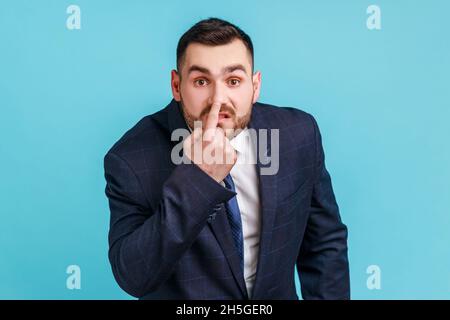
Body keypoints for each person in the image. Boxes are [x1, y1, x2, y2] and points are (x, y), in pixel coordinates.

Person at [104, 17, 350, 300]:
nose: (218, 100)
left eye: (233, 81)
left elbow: (324, 246)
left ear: (255, 86)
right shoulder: (130, 159)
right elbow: (134, 277)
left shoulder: (298, 134)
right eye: (201, 81)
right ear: (176, 85)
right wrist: (198, 179)